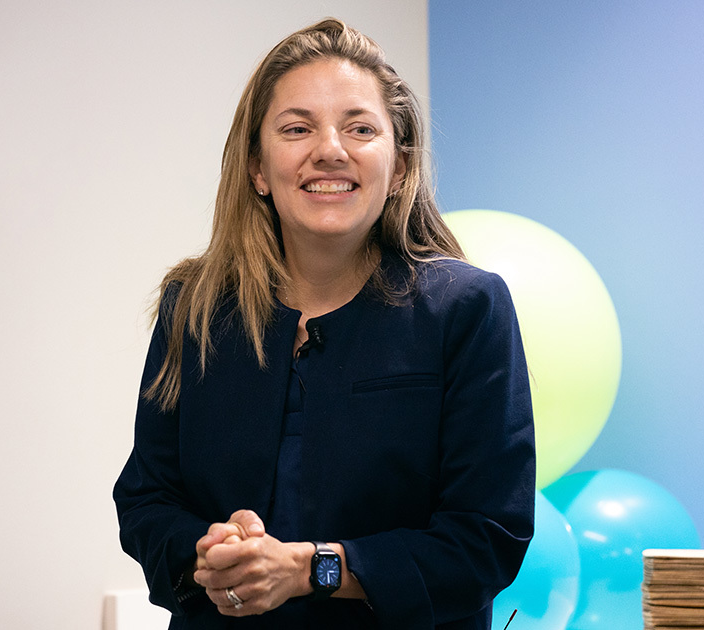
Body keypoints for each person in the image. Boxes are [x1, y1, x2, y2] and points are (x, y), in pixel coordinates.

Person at [113, 18, 535, 630]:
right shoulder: (195, 307)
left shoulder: (466, 309)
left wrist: (312, 569)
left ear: (398, 164)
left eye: (360, 128)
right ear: (258, 167)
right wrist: (206, 555)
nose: (330, 149)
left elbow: (485, 537)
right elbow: (147, 499)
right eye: (297, 128)